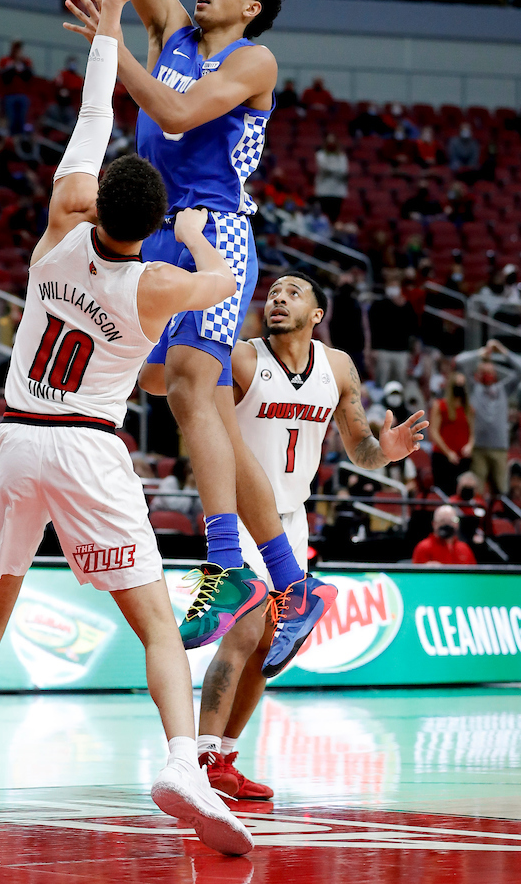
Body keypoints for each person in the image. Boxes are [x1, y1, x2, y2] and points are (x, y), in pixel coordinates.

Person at [0, 0, 255, 856]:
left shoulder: (57, 235)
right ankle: (182, 763)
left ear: (98, 201)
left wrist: (110, 17)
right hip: (89, 448)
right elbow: (225, 288)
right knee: (155, 622)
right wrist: (190, 239)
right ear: (145, 229)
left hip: (17, 439)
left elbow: (93, 114)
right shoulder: (155, 283)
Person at [67, 0, 316, 648]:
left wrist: (113, 49)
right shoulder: (172, 25)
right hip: (152, 228)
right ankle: (289, 581)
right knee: (185, 395)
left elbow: (176, 117)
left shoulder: (255, 59)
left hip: (214, 231)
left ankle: (228, 566)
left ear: (249, 7)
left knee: (189, 394)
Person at [193, 271, 426, 800]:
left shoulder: (337, 367)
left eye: (292, 292)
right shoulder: (241, 360)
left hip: (292, 522)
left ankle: (224, 760)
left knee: (268, 649)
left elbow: (359, 448)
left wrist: (384, 451)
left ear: (317, 314)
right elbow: (206, 437)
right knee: (244, 633)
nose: (277, 298)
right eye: (272, 292)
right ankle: (198, 759)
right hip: (240, 517)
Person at [455, 339, 521, 496]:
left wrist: (504, 352)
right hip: (479, 447)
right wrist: (480, 353)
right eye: (484, 372)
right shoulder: (473, 388)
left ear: (496, 374)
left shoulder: (503, 389)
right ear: (478, 374)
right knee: (477, 491)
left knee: (502, 491)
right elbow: (459, 363)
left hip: (500, 447)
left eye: (490, 372)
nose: (488, 375)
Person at [429, 371, 474, 495]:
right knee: (445, 491)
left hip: (463, 457)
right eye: (457, 384)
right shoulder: (440, 405)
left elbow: (473, 432)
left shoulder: (468, 408)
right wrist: (448, 453)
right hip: (443, 456)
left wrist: (470, 445)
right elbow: (434, 431)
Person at [368, 277, 419, 386]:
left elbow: (413, 327)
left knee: (401, 382)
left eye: (395, 286)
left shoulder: (406, 306)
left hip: (401, 351)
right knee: (382, 382)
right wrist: (373, 348)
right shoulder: (378, 304)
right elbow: (373, 328)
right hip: (383, 351)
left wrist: (403, 306)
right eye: (391, 285)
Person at [412, 504, 476, 565]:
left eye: (450, 521)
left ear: (457, 524)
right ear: (434, 524)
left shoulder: (464, 548)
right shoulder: (423, 548)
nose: (446, 525)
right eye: (442, 521)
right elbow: (415, 575)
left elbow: (474, 574)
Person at [313, 132, 348, 223]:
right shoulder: (320, 155)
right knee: (323, 216)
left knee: (334, 218)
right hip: (323, 191)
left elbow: (343, 171)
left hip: (337, 192)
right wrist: (336, 170)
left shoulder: (341, 156)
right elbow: (323, 168)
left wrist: (331, 170)